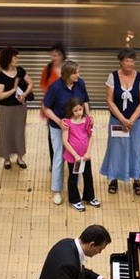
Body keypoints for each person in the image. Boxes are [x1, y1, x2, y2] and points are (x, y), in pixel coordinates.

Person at [99, 48, 140, 196]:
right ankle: (113, 178)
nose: (130, 64)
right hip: (117, 120)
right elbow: (109, 100)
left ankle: (137, 180)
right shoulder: (112, 76)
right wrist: (122, 119)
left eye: (132, 61)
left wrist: (131, 120)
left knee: (136, 149)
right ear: (121, 62)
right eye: (127, 61)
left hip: (136, 122)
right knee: (116, 149)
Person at [42, 60, 91, 205]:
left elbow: (85, 101)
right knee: (59, 157)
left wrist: (88, 117)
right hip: (59, 127)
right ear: (68, 74)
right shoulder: (55, 87)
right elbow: (46, 108)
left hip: (77, 127)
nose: (78, 75)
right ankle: (56, 190)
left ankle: (75, 189)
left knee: (78, 157)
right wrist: (59, 121)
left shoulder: (80, 83)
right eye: (76, 73)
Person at [0, 46, 32, 170]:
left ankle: (20, 157)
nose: (17, 59)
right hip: (6, 109)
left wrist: (24, 94)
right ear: (8, 59)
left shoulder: (20, 71)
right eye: (15, 57)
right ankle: (7, 159)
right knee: (6, 132)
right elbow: (0, 96)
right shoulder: (0, 77)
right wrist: (13, 89)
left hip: (20, 107)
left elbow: (30, 83)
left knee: (19, 132)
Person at [62, 97, 101, 212]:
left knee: (88, 176)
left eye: (80, 109)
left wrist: (88, 152)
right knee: (73, 178)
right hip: (73, 157)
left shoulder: (87, 120)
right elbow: (65, 141)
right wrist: (75, 155)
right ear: (71, 111)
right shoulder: (67, 122)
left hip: (85, 156)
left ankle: (89, 197)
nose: (79, 112)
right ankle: (75, 200)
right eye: (75, 110)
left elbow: (91, 136)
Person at [39, 43, 66, 166]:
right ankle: (54, 161)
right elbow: (43, 84)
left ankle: (67, 158)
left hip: (67, 106)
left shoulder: (68, 68)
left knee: (69, 134)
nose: (54, 58)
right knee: (52, 135)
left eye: (57, 55)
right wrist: (52, 93)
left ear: (62, 56)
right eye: (52, 55)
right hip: (51, 107)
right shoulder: (48, 69)